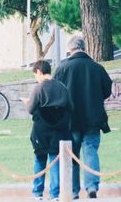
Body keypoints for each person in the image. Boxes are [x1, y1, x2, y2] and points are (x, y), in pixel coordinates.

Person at [54, 36, 112, 199]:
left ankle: (73, 190)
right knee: (91, 151)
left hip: (70, 120)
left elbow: (57, 92)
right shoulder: (97, 68)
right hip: (93, 118)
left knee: (72, 154)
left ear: (69, 49)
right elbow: (107, 91)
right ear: (84, 48)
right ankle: (91, 186)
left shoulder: (62, 68)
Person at [21, 60, 72, 201]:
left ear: (39, 71)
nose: (36, 78)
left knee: (39, 158)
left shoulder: (39, 88)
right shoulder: (62, 87)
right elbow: (70, 106)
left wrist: (26, 102)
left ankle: (37, 193)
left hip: (41, 129)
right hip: (60, 129)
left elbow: (31, 109)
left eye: (35, 75)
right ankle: (55, 194)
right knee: (55, 159)